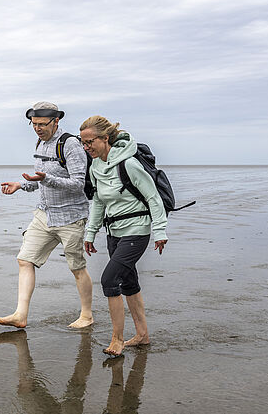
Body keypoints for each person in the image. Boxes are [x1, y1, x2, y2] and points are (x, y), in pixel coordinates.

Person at [0, 101, 93, 329]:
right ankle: (20, 314)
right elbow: (40, 181)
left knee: (77, 268)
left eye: (42, 124)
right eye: (33, 124)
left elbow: (78, 184)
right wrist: (20, 185)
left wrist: (46, 179)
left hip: (71, 217)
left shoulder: (70, 145)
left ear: (56, 121)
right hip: (44, 215)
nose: (37, 128)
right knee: (24, 259)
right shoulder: (40, 143)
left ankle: (86, 315)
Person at [80, 115, 168, 357]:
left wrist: (160, 231)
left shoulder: (129, 164)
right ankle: (142, 335)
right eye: (83, 143)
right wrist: (90, 233)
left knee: (110, 280)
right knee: (129, 282)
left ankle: (117, 339)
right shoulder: (96, 166)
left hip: (137, 231)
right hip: (114, 233)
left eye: (90, 142)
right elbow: (98, 202)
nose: (86, 147)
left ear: (105, 138)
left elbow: (153, 198)